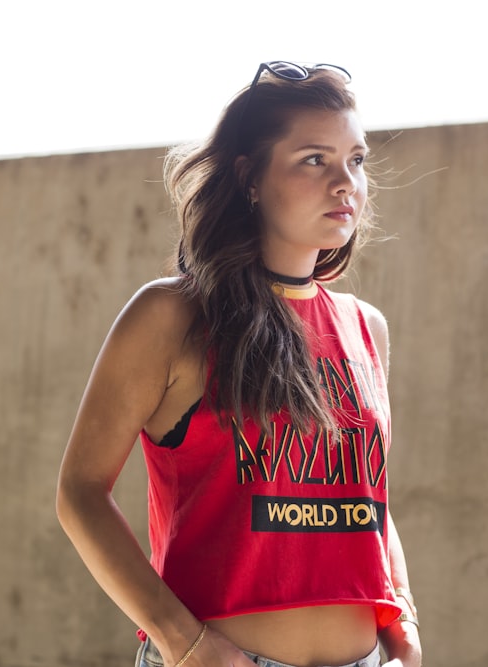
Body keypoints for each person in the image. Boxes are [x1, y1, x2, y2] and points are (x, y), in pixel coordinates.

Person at [56, 61, 422, 667]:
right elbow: (80, 493)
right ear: (250, 177)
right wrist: (184, 642)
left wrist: (402, 609)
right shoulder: (171, 316)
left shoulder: (366, 328)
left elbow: (367, 499)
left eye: (355, 160)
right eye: (314, 159)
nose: (345, 183)